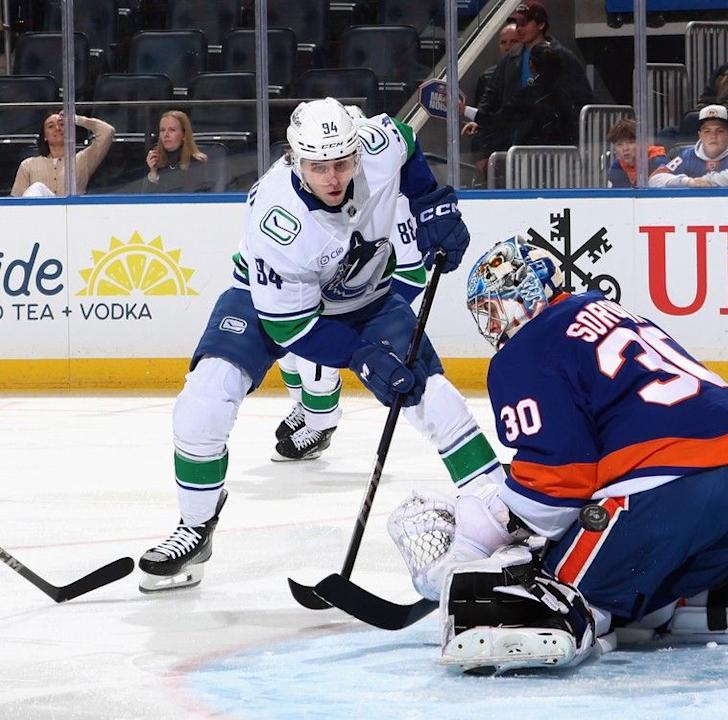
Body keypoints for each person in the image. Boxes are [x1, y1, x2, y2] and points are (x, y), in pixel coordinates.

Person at [387, 237, 728, 672]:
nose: (494, 324)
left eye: (496, 308)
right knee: (648, 604)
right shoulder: (607, 311)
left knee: (553, 588)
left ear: (527, 294)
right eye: (483, 314)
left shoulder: (526, 349)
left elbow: (556, 487)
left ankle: (568, 619)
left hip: (672, 492)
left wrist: (488, 528)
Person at [137, 98, 505, 592]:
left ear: (356, 151)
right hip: (268, 301)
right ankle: (195, 527)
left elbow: (408, 144)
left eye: (341, 164)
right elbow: (293, 329)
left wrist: (429, 202)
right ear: (294, 159)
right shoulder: (277, 220)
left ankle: (501, 514)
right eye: (317, 167)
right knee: (205, 397)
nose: (332, 178)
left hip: (365, 292)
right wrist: (360, 357)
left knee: (433, 396)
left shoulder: (373, 143)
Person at [272, 104, 428, 462]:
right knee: (290, 348)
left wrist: (359, 308)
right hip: (347, 284)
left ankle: (322, 424)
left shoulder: (384, 191)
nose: (333, 173)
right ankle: (304, 408)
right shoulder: (338, 192)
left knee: (317, 349)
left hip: (382, 288)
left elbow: (410, 271)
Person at [474, 1, 593, 164]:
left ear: (541, 24)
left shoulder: (563, 57)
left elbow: (582, 99)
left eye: (524, 23)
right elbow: (491, 96)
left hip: (554, 146)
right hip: (514, 145)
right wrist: (479, 123)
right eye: (517, 24)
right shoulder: (510, 59)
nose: (519, 29)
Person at [461, 44, 580, 148]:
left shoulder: (528, 95)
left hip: (535, 160)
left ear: (531, 66)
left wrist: (464, 110)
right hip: (566, 158)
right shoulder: (567, 92)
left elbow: (498, 120)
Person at [649, 105, 728, 188]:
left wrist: (706, 182)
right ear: (700, 135)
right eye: (707, 131)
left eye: (720, 131)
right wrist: (687, 182)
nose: (713, 136)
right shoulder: (688, 155)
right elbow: (655, 179)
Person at [10, 111, 115, 196]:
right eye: (51, 126)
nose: (57, 128)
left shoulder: (82, 160)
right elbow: (15, 201)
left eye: (62, 124)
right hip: (39, 217)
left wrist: (77, 119)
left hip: (72, 216)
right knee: (37, 188)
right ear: (44, 136)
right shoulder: (28, 165)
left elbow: (108, 131)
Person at [469, 22, 521, 179]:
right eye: (503, 42)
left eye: (513, 41)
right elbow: (480, 117)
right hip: (496, 152)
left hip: (524, 146)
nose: (507, 47)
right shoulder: (487, 77)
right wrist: (480, 155)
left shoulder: (530, 73)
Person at [142, 110, 213, 194]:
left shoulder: (196, 162)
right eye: (162, 130)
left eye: (172, 130)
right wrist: (153, 172)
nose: (166, 134)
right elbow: (145, 201)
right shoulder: (154, 159)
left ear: (184, 134)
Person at [604, 118, 668, 187]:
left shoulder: (658, 162)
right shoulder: (616, 168)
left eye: (631, 142)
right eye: (619, 144)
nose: (625, 148)